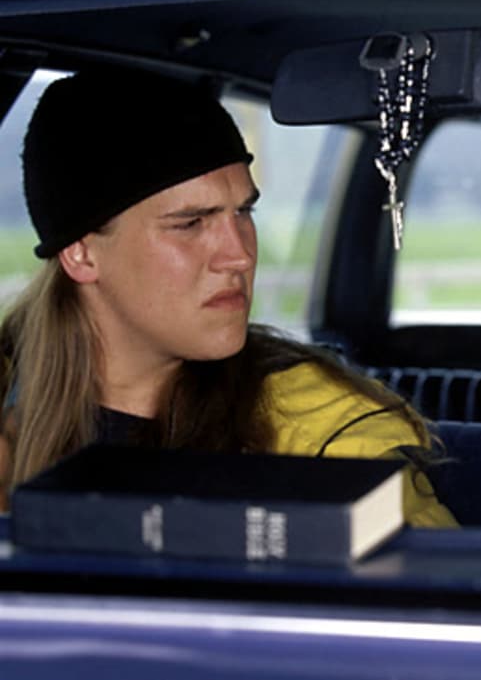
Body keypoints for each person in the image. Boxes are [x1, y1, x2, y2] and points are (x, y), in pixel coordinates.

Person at [0, 69, 457, 525]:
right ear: (80, 254)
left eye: (244, 211)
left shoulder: (321, 428)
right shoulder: (9, 393)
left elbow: (424, 563)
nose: (239, 255)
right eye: (191, 223)